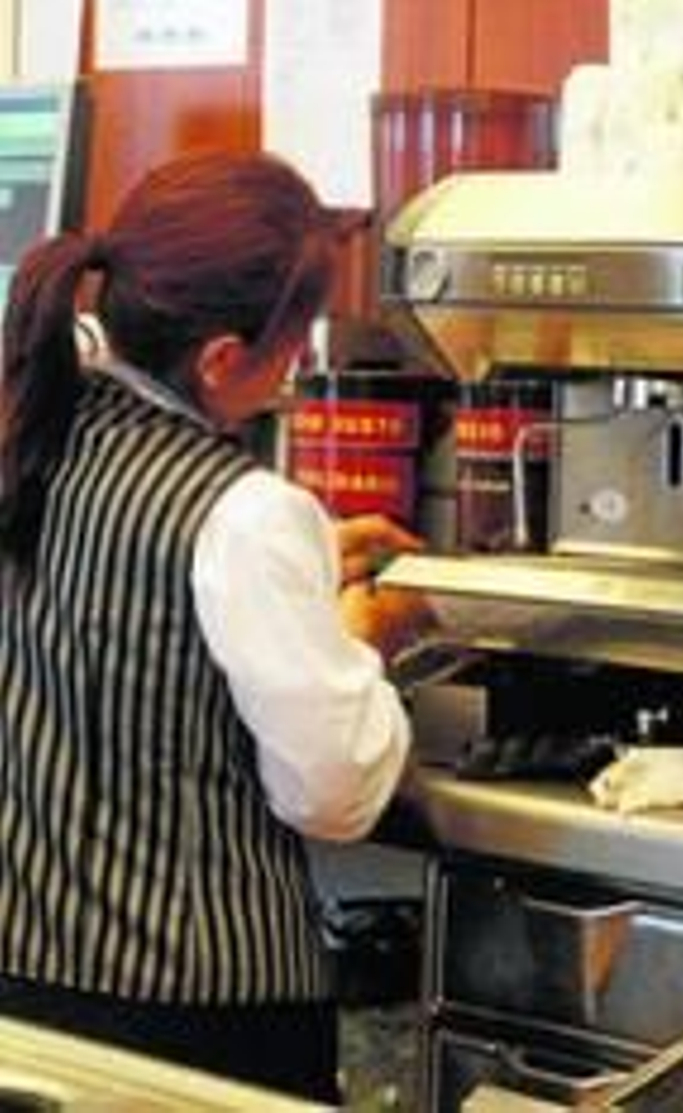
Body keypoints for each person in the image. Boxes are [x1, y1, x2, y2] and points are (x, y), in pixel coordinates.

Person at [0, 150, 433, 1104]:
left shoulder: (36, 431)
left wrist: (303, 570)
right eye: (294, 342)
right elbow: (332, 789)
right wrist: (366, 638)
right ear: (223, 359)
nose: (295, 368)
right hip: (199, 1018)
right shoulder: (244, 514)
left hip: (28, 990)